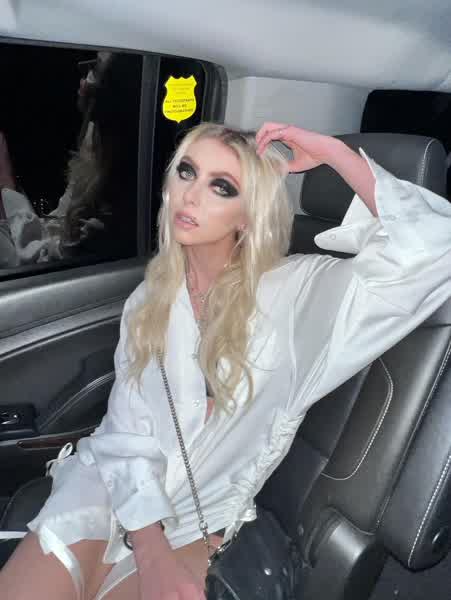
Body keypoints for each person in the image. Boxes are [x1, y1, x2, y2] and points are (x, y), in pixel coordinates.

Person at [2, 121, 451, 600]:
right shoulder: (150, 298)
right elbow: (125, 434)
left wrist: (336, 155)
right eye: (187, 172)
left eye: (221, 187)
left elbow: (435, 249)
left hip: (201, 518)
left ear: (248, 216)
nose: (191, 195)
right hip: (111, 487)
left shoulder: (296, 294)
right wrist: (150, 549)